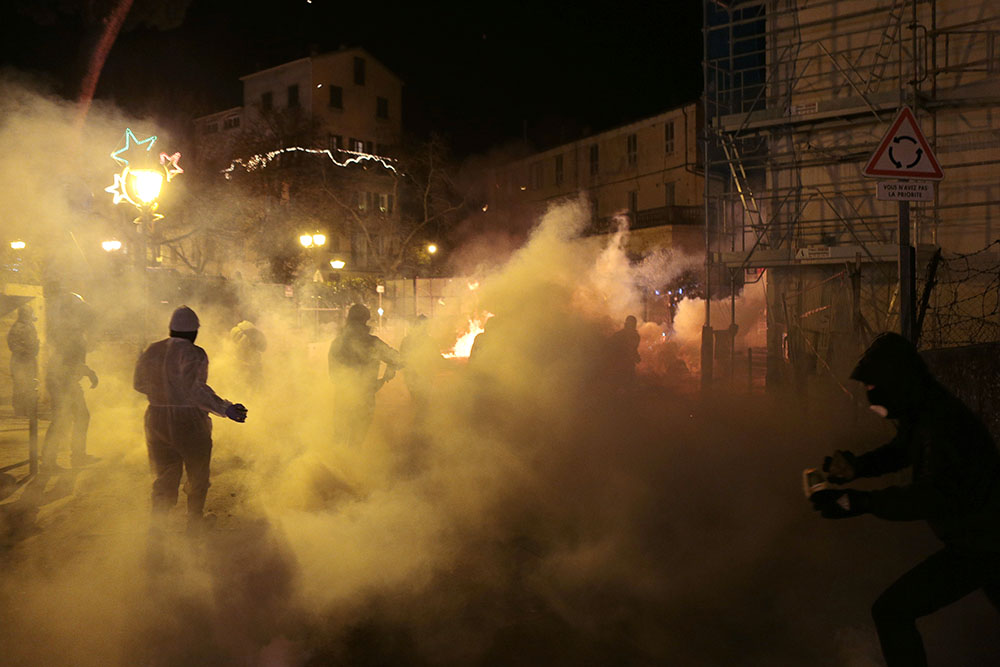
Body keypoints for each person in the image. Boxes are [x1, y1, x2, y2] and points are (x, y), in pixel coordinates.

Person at [810, 332, 1000, 667]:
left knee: (891, 612)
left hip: (985, 545)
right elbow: (901, 451)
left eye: (874, 386)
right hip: (979, 542)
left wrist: (857, 502)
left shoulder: (941, 423)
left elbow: (929, 497)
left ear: (898, 381)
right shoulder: (926, 411)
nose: (870, 396)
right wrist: (857, 467)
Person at [133, 305, 247, 531]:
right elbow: (195, 390)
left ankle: (157, 529)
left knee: (165, 475)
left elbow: (138, 384)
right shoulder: (194, 353)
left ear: (171, 328)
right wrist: (226, 408)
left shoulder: (152, 350)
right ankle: (194, 523)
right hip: (188, 422)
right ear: (194, 331)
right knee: (197, 473)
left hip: (155, 419)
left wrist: (162, 394)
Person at [328, 304, 401, 447]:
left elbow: (333, 375)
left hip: (343, 399)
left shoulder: (337, 343)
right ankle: (352, 460)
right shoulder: (372, 342)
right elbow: (398, 359)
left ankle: (336, 460)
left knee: (339, 440)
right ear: (365, 321)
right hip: (365, 399)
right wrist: (389, 372)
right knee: (356, 442)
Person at [41, 293, 99, 470]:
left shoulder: (70, 331)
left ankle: (76, 456)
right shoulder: (70, 333)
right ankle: (50, 462)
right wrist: (89, 373)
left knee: (78, 416)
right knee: (62, 419)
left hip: (65, 380)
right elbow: (69, 362)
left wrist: (87, 372)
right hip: (62, 381)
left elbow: (72, 361)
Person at [399, 315, 441, 413]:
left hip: (412, 376)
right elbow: (437, 358)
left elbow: (401, 357)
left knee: (417, 400)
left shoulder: (406, 340)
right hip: (423, 375)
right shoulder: (429, 341)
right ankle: (420, 418)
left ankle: (418, 417)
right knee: (423, 402)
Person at [7, 305, 39, 417]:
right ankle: (20, 411)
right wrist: (26, 352)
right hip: (21, 361)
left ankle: (27, 410)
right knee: (20, 385)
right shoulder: (19, 327)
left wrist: (34, 349)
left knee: (29, 385)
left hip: (28, 360)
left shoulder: (28, 325)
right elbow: (13, 345)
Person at [606, 315, 641, 391]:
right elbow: (611, 349)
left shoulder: (634, 336)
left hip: (625, 365)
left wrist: (636, 356)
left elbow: (633, 349)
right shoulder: (620, 336)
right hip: (620, 364)